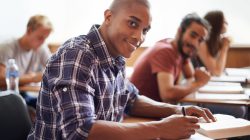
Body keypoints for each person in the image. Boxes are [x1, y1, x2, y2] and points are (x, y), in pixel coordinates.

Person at [28, 1, 215, 140]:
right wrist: (160, 129)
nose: (139, 37)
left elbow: (131, 99)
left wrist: (178, 111)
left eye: (145, 30)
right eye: (133, 23)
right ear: (109, 17)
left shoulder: (115, 56)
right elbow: (81, 130)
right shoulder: (77, 55)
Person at [130, 13, 211, 103]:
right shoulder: (165, 51)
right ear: (180, 31)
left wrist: (198, 79)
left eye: (200, 40)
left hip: (155, 109)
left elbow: (190, 76)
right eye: (193, 35)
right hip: (139, 113)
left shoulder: (180, 48)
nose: (195, 43)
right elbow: (168, 95)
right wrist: (199, 83)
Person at [0, 15, 53, 109]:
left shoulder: (41, 48)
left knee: (49, 106)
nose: (43, 42)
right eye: (40, 37)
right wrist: (31, 78)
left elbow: (54, 68)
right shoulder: (7, 47)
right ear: (29, 31)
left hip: (22, 94)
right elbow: (2, 80)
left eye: (45, 38)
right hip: (5, 96)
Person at [192, 10, 231, 76]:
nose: (227, 23)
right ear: (216, 24)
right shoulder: (201, 42)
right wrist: (225, 47)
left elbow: (218, 69)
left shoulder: (215, 42)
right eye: (224, 21)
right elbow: (217, 72)